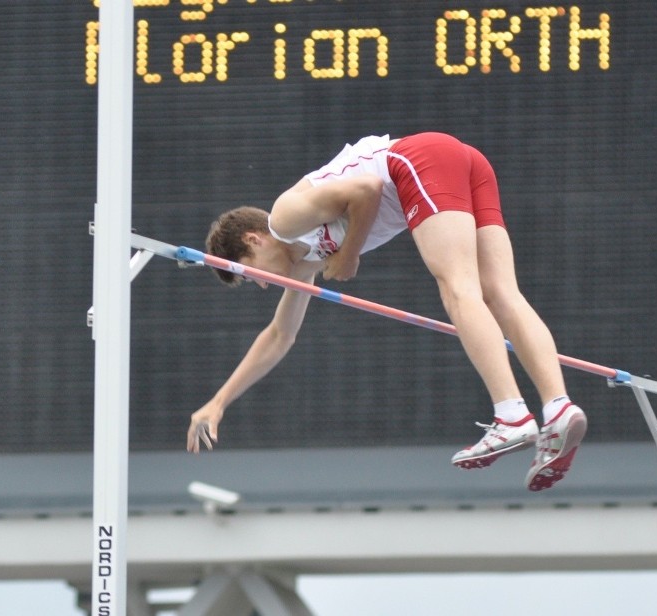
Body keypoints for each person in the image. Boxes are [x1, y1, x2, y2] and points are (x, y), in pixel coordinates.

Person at [186, 132, 587, 492]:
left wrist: (348, 255)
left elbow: (368, 187)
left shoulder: (285, 218)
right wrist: (219, 402)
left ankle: (512, 414)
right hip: (464, 161)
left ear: (253, 240)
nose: (261, 284)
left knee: (457, 289)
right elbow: (279, 336)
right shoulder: (305, 263)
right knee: (501, 294)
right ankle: (558, 407)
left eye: (250, 272)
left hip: (417, 160)